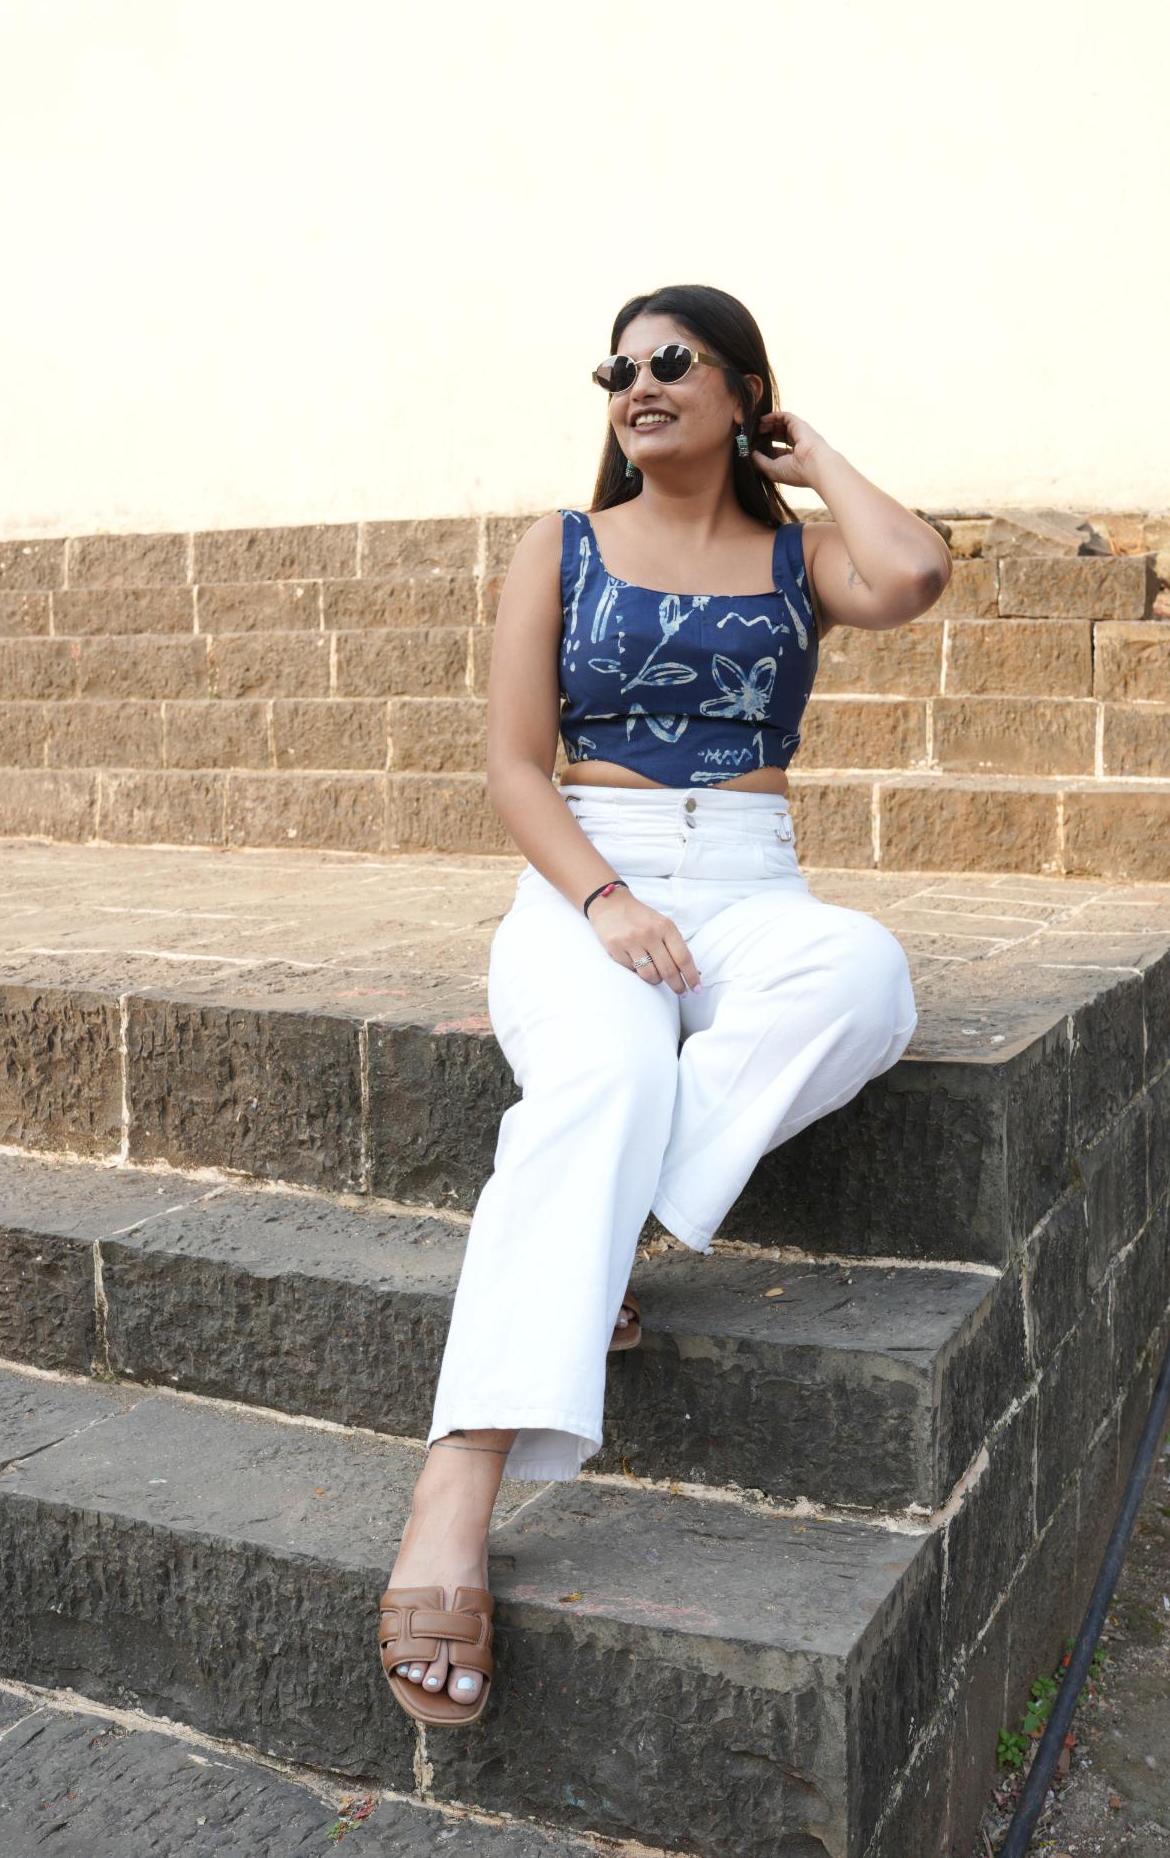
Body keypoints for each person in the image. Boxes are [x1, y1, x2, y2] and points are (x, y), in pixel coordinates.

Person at [378, 282, 952, 1724]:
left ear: (743, 390)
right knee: (613, 1079)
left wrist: (811, 456)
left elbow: (915, 575)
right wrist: (606, 902)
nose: (637, 382)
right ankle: (458, 1482)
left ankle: (605, 1236)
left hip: (752, 883)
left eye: (673, 360)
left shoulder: (798, 555)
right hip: (589, 878)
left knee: (865, 976)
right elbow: (514, 765)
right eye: (618, 367)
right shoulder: (562, 545)